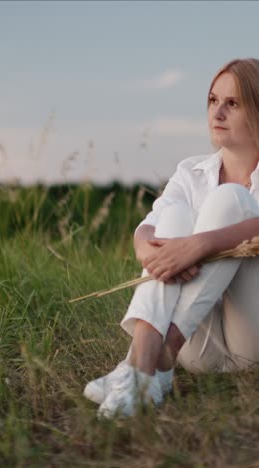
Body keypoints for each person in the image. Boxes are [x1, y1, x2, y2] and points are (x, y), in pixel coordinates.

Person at [83, 58, 259, 418]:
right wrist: (147, 248)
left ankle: (137, 368)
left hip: (251, 337)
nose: (218, 112)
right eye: (213, 100)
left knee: (232, 200)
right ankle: (147, 363)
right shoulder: (190, 171)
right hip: (194, 348)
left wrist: (201, 244)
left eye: (233, 103)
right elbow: (149, 226)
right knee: (174, 216)